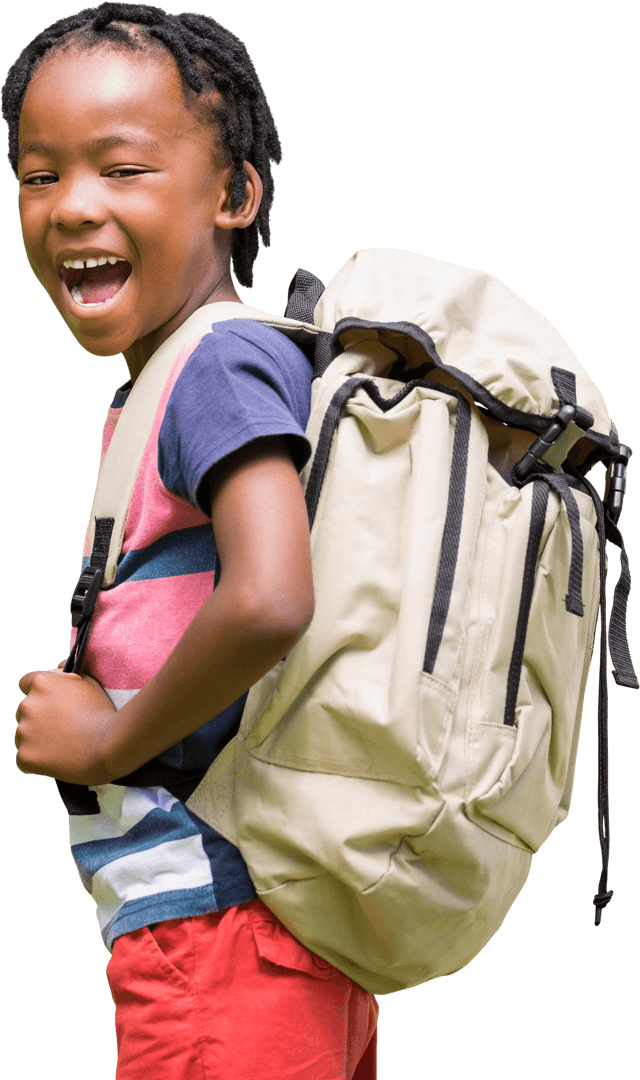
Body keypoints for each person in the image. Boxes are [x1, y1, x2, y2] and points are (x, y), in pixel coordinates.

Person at [6, 4, 379, 1077]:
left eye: (121, 169)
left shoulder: (215, 367)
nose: (73, 207)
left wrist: (106, 745)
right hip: (278, 932)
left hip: (220, 933)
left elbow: (269, 598)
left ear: (233, 195)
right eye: (39, 176)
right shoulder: (219, 368)